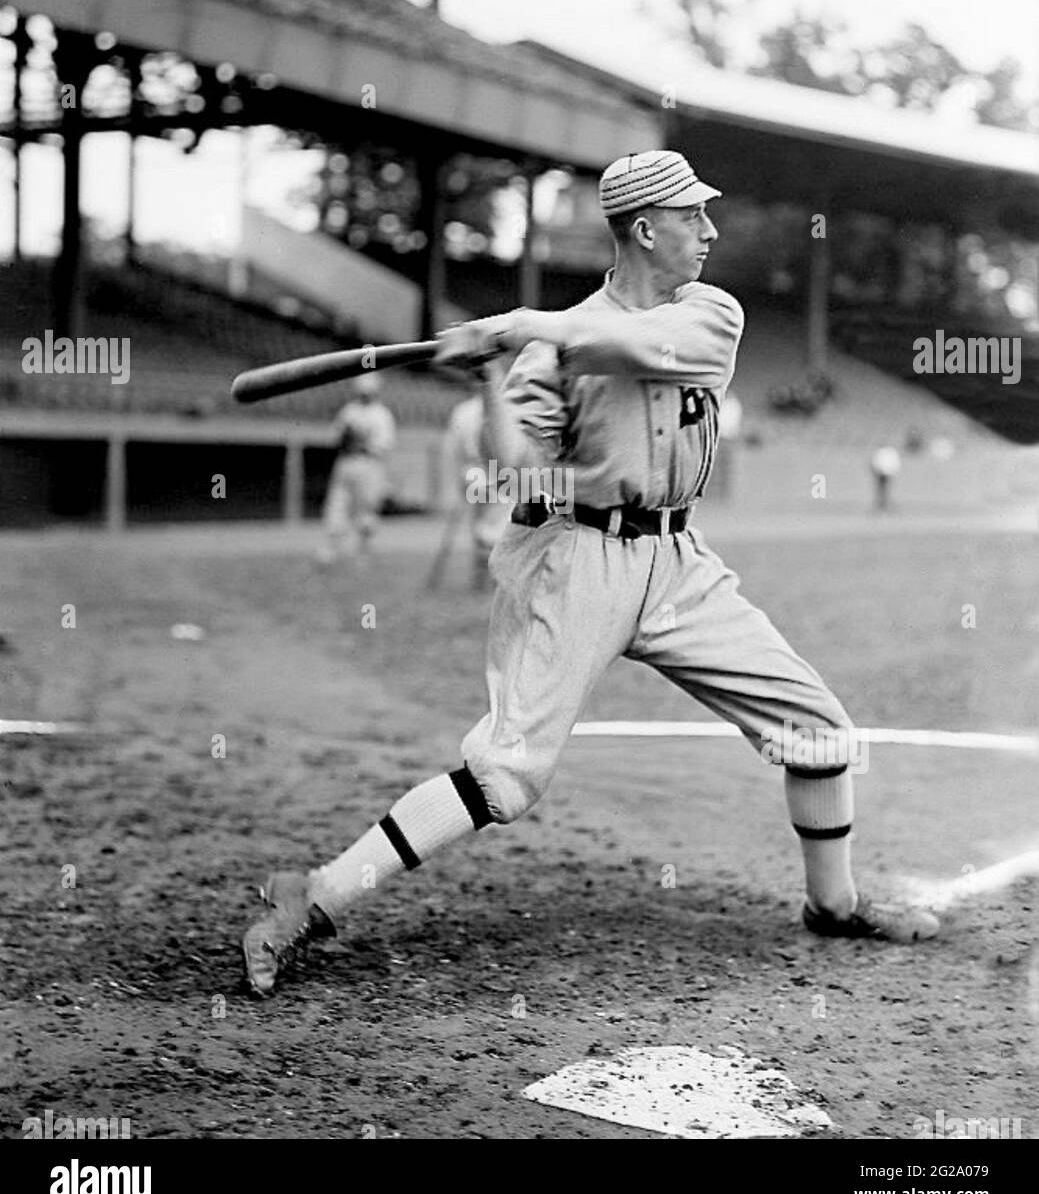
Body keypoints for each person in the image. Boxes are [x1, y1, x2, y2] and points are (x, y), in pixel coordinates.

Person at [244, 149, 938, 997]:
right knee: (504, 779)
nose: (710, 231)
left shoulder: (706, 313)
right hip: (574, 562)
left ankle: (833, 906)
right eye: (692, 217)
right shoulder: (545, 350)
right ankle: (313, 894)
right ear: (646, 229)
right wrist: (497, 376)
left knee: (820, 735)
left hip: (677, 563)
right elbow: (514, 474)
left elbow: (640, 345)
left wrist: (528, 325)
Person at [428, 386, 511, 590]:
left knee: (486, 523)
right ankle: (489, 571)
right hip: (487, 471)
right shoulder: (496, 409)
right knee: (494, 523)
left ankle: (485, 570)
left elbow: (451, 448)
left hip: (479, 472)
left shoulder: (465, 410)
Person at [316, 372, 396, 565]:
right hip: (346, 462)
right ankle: (330, 551)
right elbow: (335, 437)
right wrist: (347, 438)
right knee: (337, 505)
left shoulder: (382, 414)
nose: (364, 395)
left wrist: (361, 441)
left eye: (368, 392)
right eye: (362, 391)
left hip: (369, 464)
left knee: (366, 510)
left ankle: (363, 552)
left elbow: (383, 446)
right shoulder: (349, 410)